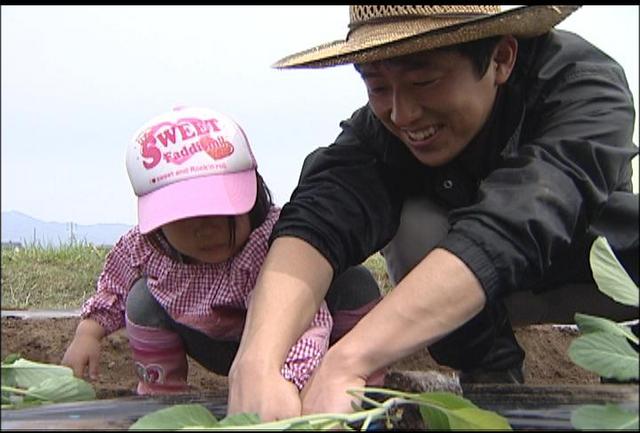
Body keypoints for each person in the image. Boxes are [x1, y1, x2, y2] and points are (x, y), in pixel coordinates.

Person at [227, 5, 639, 419]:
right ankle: (491, 377)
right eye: (377, 87)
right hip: (478, 299)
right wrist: (257, 362)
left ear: (500, 58)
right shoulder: (381, 126)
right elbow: (322, 213)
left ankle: (626, 364)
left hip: (602, 277)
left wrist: (348, 360)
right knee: (416, 225)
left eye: (425, 81)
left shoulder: (583, 86)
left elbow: (523, 218)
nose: (402, 114)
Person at [61, 106, 381, 395]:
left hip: (289, 344)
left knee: (354, 282)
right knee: (141, 299)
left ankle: (359, 390)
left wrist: (286, 385)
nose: (205, 229)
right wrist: (88, 334)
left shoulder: (273, 243)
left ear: (253, 198)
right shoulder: (146, 246)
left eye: (220, 211)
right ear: (159, 224)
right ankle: (163, 397)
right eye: (184, 218)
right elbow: (114, 287)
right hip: (208, 343)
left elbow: (305, 323)